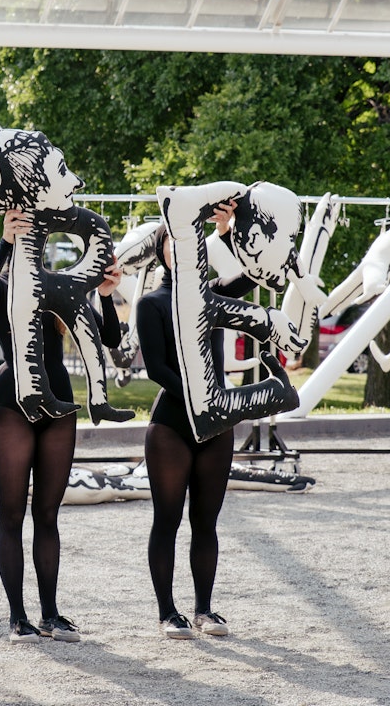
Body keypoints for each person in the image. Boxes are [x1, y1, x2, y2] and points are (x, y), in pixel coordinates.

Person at [0, 208, 123, 644]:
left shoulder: (61, 287)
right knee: (12, 513)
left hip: (59, 403)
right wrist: (3, 242)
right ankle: (18, 616)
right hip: (12, 403)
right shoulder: (3, 286)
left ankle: (51, 614)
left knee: (48, 515)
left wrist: (108, 294)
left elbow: (108, 339)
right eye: (26, 235)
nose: (33, 242)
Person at [135, 200, 252, 640]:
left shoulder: (214, 297)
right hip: (172, 426)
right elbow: (157, 369)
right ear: (164, 250)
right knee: (167, 519)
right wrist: (200, 393)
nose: (183, 246)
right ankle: (168, 612)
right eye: (173, 241)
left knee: (206, 522)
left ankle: (204, 609)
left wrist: (229, 231)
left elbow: (247, 276)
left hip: (216, 426)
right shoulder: (152, 304)